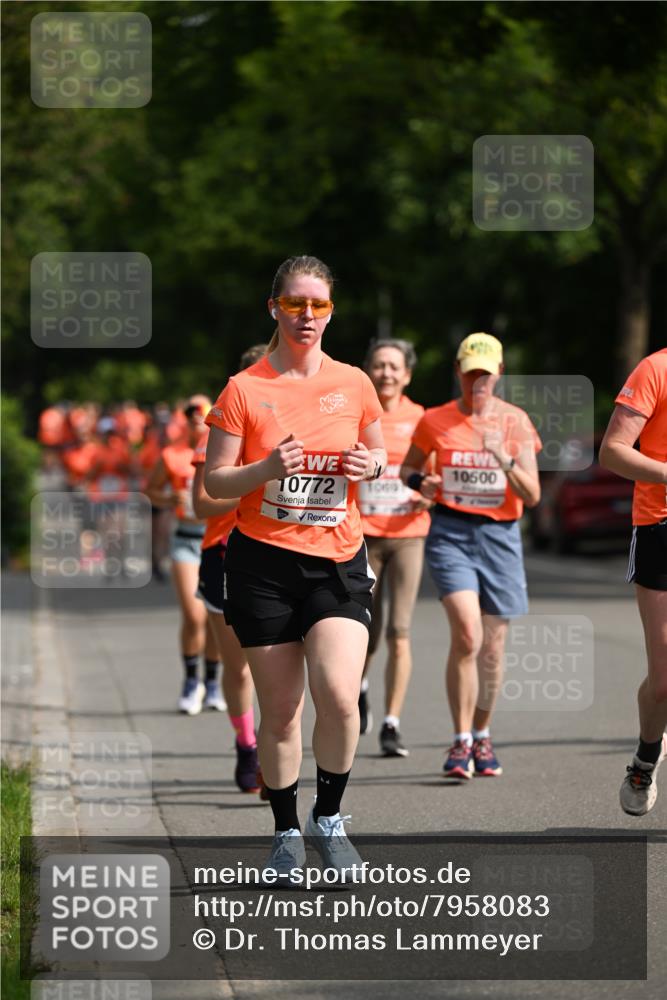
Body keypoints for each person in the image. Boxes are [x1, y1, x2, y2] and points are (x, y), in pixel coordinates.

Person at [204, 255, 386, 881]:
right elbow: (213, 484)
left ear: (331, 311)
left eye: (319, 305)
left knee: (339, 694)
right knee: (280, 712)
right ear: (274, 308)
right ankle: (285, 831)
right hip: (263, 566)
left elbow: (377, 450)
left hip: (338, 560)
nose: (307, 316)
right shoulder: (244, 389)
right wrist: (264, 471)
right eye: (295, 304)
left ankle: (328, 819)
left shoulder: (355, 382)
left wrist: (374, 467)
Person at [400, 332, 541, 780]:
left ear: (499, 374)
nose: (478, 382)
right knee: (467, 634)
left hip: (500, 537)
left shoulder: (516, 422)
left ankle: (482, 734)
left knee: (493, 651)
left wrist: (503, 458)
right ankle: (460, 741)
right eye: (470, 373)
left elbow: (533, 495)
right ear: (459, 372)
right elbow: (409, 467)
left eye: (486, 374)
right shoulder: (435, 420)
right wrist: (420, 484)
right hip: (451, 533)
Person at [191, 344, 269, 794]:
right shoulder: (219, 427)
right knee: (238, 665)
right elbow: (201, 503)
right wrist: (255, 483)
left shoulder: (289, 429)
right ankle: (246, 744)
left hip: (277, 551)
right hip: (223, 552)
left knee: (278, 663)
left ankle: (274, 751)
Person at [599, 348, 667, 816]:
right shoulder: (656, 369)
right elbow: (612, 451)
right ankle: (647, 755)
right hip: (661, 526)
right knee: (664, 684)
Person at [358, 339, 432, 756]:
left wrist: (429, 495)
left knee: (399, 630)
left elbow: (434, 474)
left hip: (407, 534)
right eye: (379, 365)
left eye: (394, 367)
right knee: (363, 631)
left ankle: (391, 724)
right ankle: (360, 688)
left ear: (407, 375)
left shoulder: (422, 418)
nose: (386, 373)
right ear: (368, 370)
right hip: (363, 537)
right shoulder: (355, 413)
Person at [146, 395, 224, 716]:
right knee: (194, 617)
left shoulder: (224, 451)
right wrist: (170, 497)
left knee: (215, 617)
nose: (195, 417)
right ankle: (192, 682)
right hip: (187, 540)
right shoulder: (172, 455)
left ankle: (213, 683)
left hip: (218, 539)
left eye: (201, 412)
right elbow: (150, 490)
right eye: (190, 413)